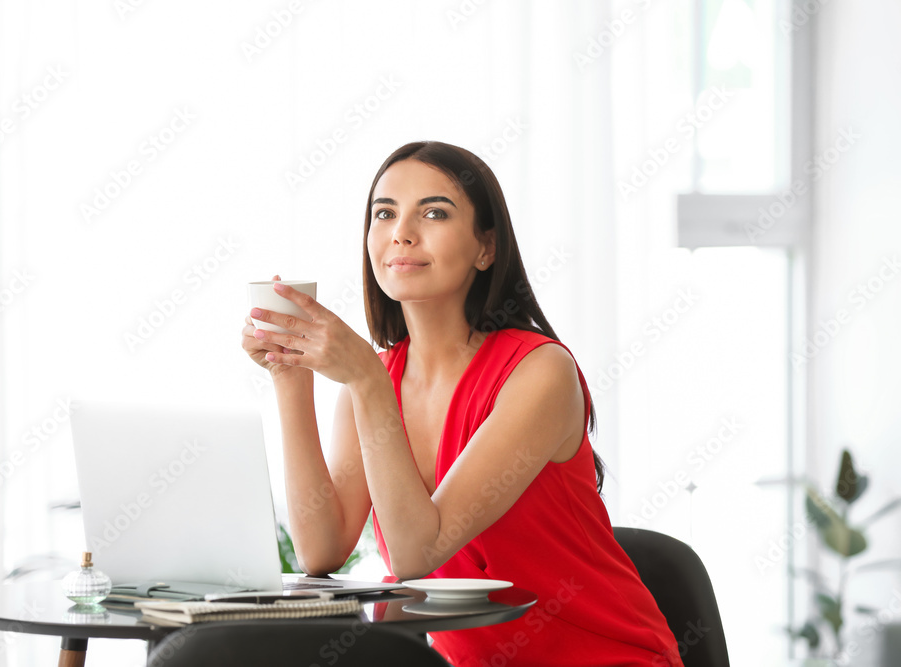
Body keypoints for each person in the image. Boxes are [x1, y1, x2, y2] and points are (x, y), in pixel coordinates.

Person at [242, 141, 682, 666]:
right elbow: (322, 549)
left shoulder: (539, 373)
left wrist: (365, 379)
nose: (402, 232)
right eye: (384, 213)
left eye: (433, 212)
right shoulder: (376, 380)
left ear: (485, 248)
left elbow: (416, 554)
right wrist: (289, 376)